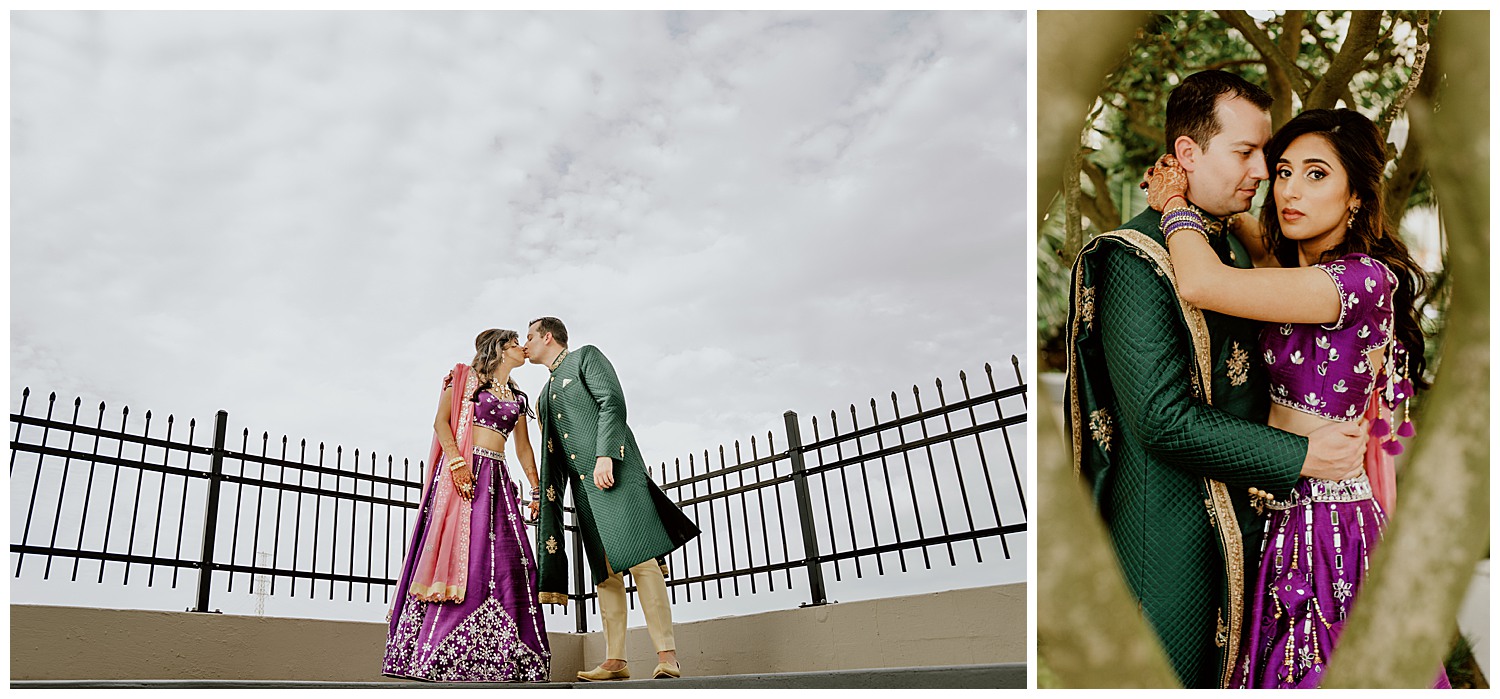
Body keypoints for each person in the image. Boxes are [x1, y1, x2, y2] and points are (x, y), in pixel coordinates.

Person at [1065, 70, 1368, 688]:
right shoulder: (1134, 258)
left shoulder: (1220, 246)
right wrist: (1302, 454)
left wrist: (1179, 202)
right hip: (1171, 554)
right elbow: (1160, 419)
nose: (1262, 172)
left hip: (1250, 541)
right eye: (1247, 153)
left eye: (1270, 157)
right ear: (1186, 153)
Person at [1145, 107, 1447, 688]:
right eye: (1282, 172)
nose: (1290, 190)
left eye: (1316, 175)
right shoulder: (1299, 269)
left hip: (1325, 521)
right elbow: (1259, 242)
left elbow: (1204, 282)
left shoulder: (1360, 280)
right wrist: (1217, 200)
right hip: (1283, 502)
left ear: (1356, 195)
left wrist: (1177, 204)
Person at [523, 317, 700, 682]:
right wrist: (544, 494)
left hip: (615, 475)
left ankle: (668, 656)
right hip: (584, 491)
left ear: (548, 336)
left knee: (642, 561)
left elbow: (612, 402)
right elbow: (550, 453)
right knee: (604, 574)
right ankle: (615, 661)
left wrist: (607, 454)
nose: (526, 345)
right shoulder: (543, 396)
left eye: (529, 337)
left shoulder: (586, 357)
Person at [383, 329, 551, 682]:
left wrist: (536, 489)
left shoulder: (518, 397)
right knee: (468, 560)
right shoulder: (463, 379)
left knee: (510, 562)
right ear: (501, 350)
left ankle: (506, 657)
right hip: (466, 473)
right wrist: (458, 463)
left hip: (499, 479)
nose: (523, 347)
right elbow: (441, 423)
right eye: (515, 343)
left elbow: (522, 449)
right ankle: (440, 654)